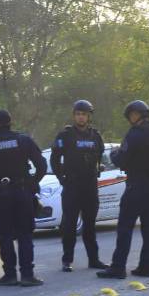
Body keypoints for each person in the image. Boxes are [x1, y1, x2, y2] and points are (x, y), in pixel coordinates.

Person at [0, 109, 47, 287]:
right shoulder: (24, 141)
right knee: (25, 235)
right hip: (23, 193)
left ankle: (10, 275)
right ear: (10, 122)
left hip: (2, 195)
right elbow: (42, 165)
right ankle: (28, 275)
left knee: (5, 235)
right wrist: (32, 183)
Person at [98, 100, 149, 279]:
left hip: (138, 185)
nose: (130, 119)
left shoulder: (135, 134)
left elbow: (121, 159)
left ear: (136, 115)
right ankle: (146, 266)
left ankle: (118, 267)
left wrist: (114, 154)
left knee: (125, 227)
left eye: (131, 115)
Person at [50, 99, 108, 272]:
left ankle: (94, 260)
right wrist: (62, 178)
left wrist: (99, 168)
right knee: (69, 225)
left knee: (90, 225)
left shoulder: (95, 136)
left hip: (90, 185)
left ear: (89, 116)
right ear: (74, 116)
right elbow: (54, 159)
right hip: (72, 186)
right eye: (78, 114)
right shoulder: (65, 136)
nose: (81, 117)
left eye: (84, 114)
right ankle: (67, 260)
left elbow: (100, 157)